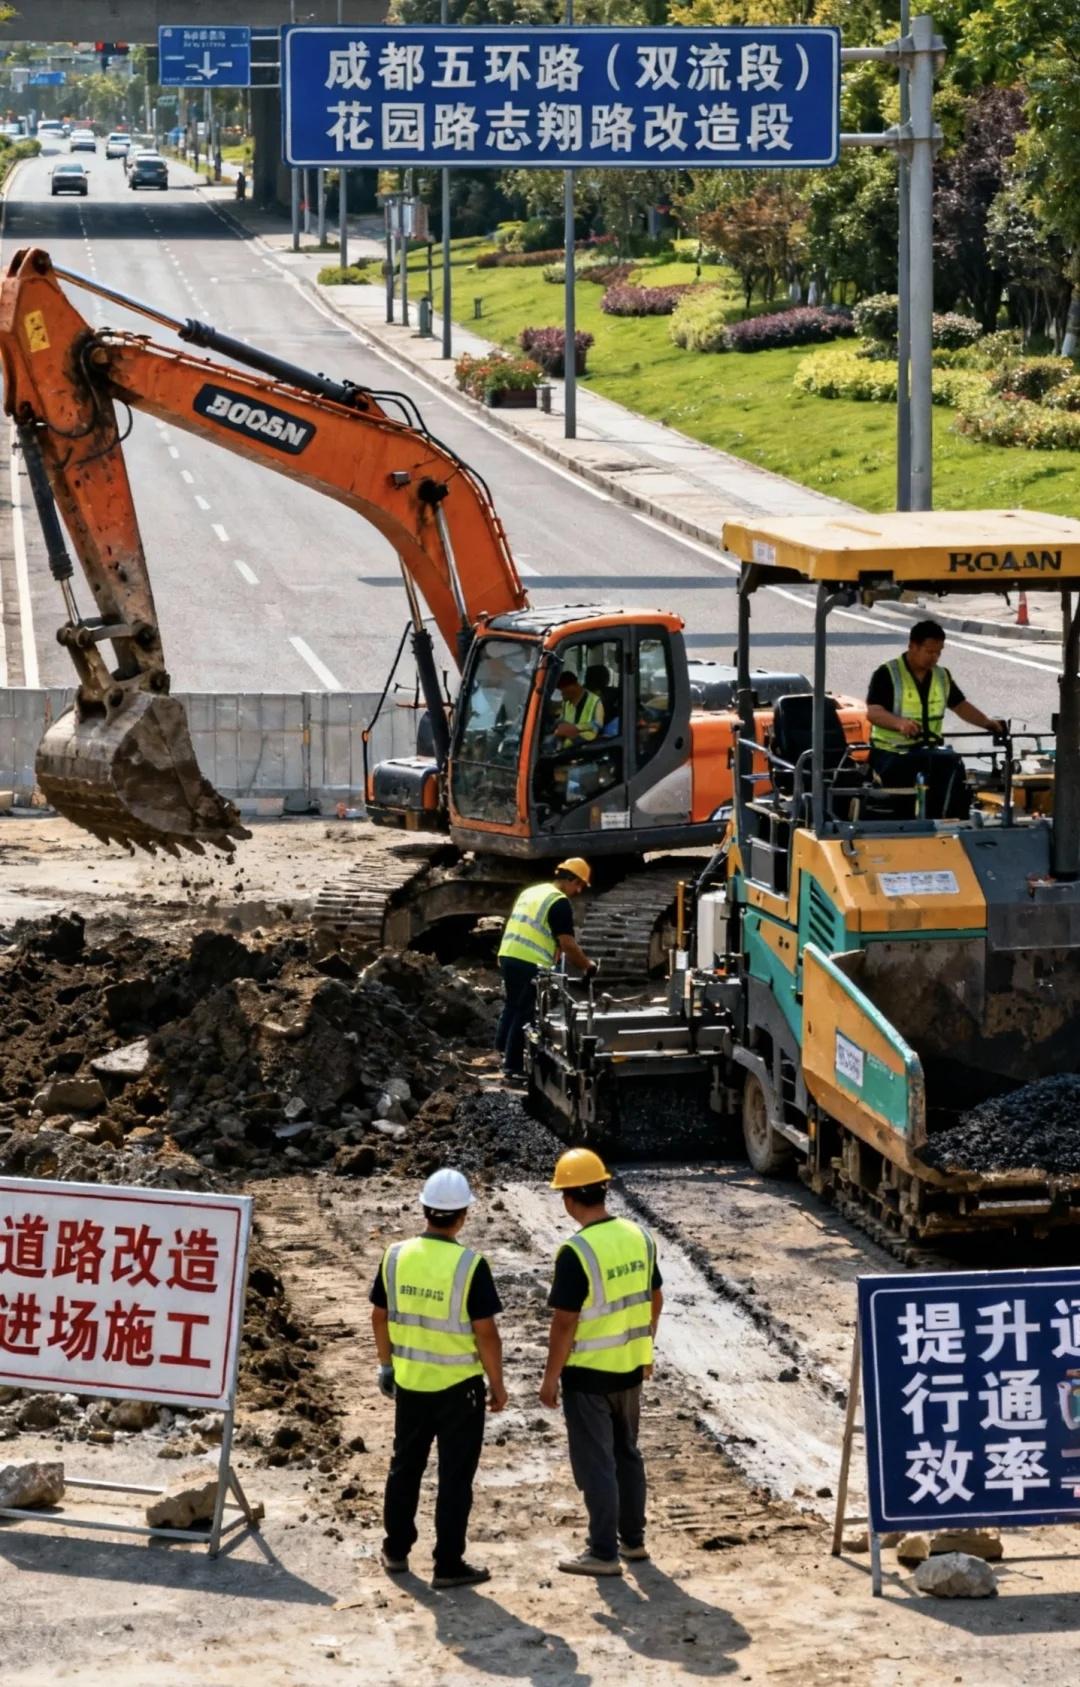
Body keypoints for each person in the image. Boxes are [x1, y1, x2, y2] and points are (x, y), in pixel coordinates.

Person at [370, 1167, 508, 1589]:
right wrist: (497, 1384)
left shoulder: (395, 1256)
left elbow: (379, 1316)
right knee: (455, 1477)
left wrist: (387, 1365)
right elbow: (486, 1333)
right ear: (463, 1216)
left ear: (424, 1210)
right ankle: (447, 1564)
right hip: (460, 1391)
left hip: (411, 1384)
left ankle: (396, 1549)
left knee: (405, 1467)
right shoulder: (470, 1266)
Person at [539, 1148, 663, 1576]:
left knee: (597, 1463)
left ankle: (603, 1552)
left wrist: (550, 1378)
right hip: (629, 1369)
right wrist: (645, 1347)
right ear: (604, 1189)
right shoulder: (639, 1236)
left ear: (569, 1198)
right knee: (627, 1453)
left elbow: (564, 1323)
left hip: (588, 1377)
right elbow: (656, 1297)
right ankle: (633, 1541)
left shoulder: (576, 1252)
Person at [866, 620, 1006, 819]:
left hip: (929, 751)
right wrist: (900, 724)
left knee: (954, 769)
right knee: (904, 796)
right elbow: (873, 713)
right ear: (912, 646)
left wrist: (987, 723)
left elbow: (960, 705)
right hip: (892, 753)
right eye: (929, 652)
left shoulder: (941, 676)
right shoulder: (888, 673)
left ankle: (953, 823)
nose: (934, 657)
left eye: (938, 653)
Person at [495, 859, 596, 1082]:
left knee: (512, 1005)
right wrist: (587, 966)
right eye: (578, 885)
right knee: (525, 1012)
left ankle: (500, 1051)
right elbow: (568, 944)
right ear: (570, 879)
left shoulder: (533, 892)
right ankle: (513, 1066)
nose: (578, 891)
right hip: (529, 960)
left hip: (509, 953)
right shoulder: (559, 902)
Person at [552, 670, 604, 745]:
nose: (561, 693)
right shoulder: (566, 703)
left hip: (586, 746)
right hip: (567, 747)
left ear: (574, 686)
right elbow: (562, 720)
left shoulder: (595, 701)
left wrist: (576, 728)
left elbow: (598, 725)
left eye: (563, 689)